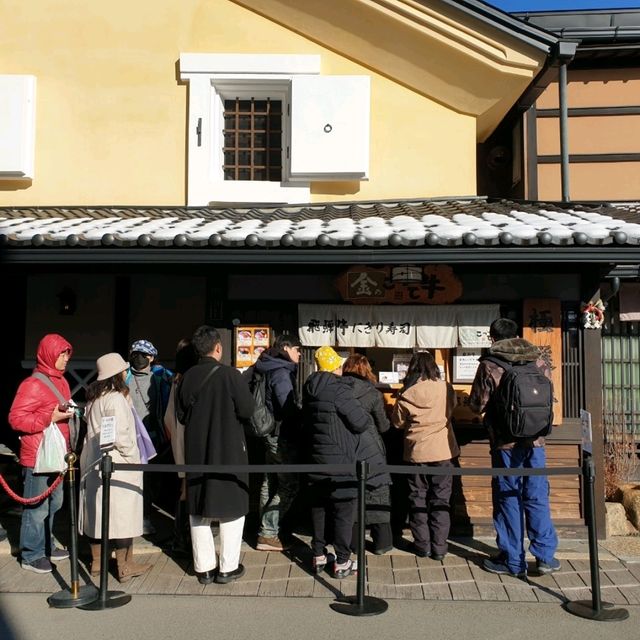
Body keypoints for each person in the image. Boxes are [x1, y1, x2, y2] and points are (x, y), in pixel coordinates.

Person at [470, 317, 560, 578]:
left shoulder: (490, 364)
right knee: (537, 496)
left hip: (505, 442)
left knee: (508, 497)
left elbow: (477, 405)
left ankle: (512, 560)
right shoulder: (539, 360)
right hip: (537, 442)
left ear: (492, 338)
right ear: (518, 334)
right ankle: (545, 557)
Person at [177, 325, 255, 585]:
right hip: (229, 449)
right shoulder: (230, 375)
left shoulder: (186, 378)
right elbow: (247, 410)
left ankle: (204, 568)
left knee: (198, 509)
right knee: (232, 509)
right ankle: (227, 567)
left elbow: (180, 415)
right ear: (218, 347)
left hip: (196, 450)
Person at [303, 346, 389, 579]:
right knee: (343, 511)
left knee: (319, 508)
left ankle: (318, 554)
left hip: (316, 458)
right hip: (342, 459)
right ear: (333, 367)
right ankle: (342, 561)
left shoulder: (310, 387)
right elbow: (360, 422)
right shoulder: (339, 389)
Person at [79, 353, 151, 582]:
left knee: (99, 515)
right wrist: (133, 458)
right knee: (123, 517)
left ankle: (97, 564)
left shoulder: (94, 399)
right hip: (119, 465)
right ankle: (125, 565)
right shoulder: (116, 399)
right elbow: (121, 436)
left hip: (94, 462)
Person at [8, 333, 74, 573]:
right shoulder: (32, 384)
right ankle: (31, 554)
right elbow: (16, 418)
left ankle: (46, 545)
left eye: (67, 353)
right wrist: (50, 417)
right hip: (37, 456)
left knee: (55, 503)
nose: (66, 358)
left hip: (57, 454)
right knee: (36, 508)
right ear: (49, 354)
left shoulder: (62, 381)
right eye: (61, 353)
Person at [391, 351, 459, 561]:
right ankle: (439, 548)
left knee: (417, 498)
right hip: (442, 450)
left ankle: (422, 546)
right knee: (441, 499)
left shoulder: (407, 393)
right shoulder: (445, 388)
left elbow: (397, 423)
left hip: (417, 452)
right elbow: (452, 408)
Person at [253, 334, 302, 552]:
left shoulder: (265, 366)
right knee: (290, 485)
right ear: (285, 348)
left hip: (267, 431)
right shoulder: (282, 371)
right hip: (281, 435)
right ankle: (268, 532)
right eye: (297, 349)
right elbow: (286, 407)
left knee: (270, 482)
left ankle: (264, 531)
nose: (299, 353)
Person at [342, 354, 393, 555]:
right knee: (377, 490)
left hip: (345, 447)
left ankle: (355, 543)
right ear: (366, 370)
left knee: (351, 492)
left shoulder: (338, 390)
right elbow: (383, 425)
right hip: (371, 448)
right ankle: (382, 543)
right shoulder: (373, 394)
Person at [126, 339, 173, 535]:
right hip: (134, 436)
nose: (138, 358)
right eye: (135, 354)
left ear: (151, 357)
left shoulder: (161, 376)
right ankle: (140, 518)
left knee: (149, 478)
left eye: (142, 355)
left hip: (152, 435)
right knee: (140, 477)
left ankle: (143, 516)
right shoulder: (123, 376)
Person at [164, 338, 199, 557]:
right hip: (191, 440)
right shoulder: (193, 380)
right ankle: (184, 538)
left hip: (179, 438)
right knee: (189, 490)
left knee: (184, 487)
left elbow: (168, 417)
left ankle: (181, 537)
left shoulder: (176, 381)